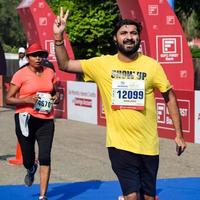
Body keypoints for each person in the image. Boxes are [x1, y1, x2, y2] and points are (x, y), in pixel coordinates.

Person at [53, 8, 187, 200]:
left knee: (149, 197)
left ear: (139, 38)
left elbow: (170, 97)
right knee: (132, 196)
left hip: (148, 145)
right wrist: (58, 37)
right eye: (123, 33)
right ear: (115, 39)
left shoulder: (152, 65)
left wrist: (179, 135)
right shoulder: (101, 64)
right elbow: (65, 65)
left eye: (133, 33)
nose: (129, 37)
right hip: (119, 144)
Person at [6, 43, 59, 200]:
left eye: (40, 55)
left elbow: (55, 93)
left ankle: (43, 196)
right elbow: (8, 98)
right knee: (28, 159)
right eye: (34, 55)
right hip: (25, 118)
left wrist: (56, 97)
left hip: (46, 119)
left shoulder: (50, 72)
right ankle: (30, 168)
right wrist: (27, 99)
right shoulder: (20, 74)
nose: (38, 58)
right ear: (28, 57)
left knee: (45, 157)